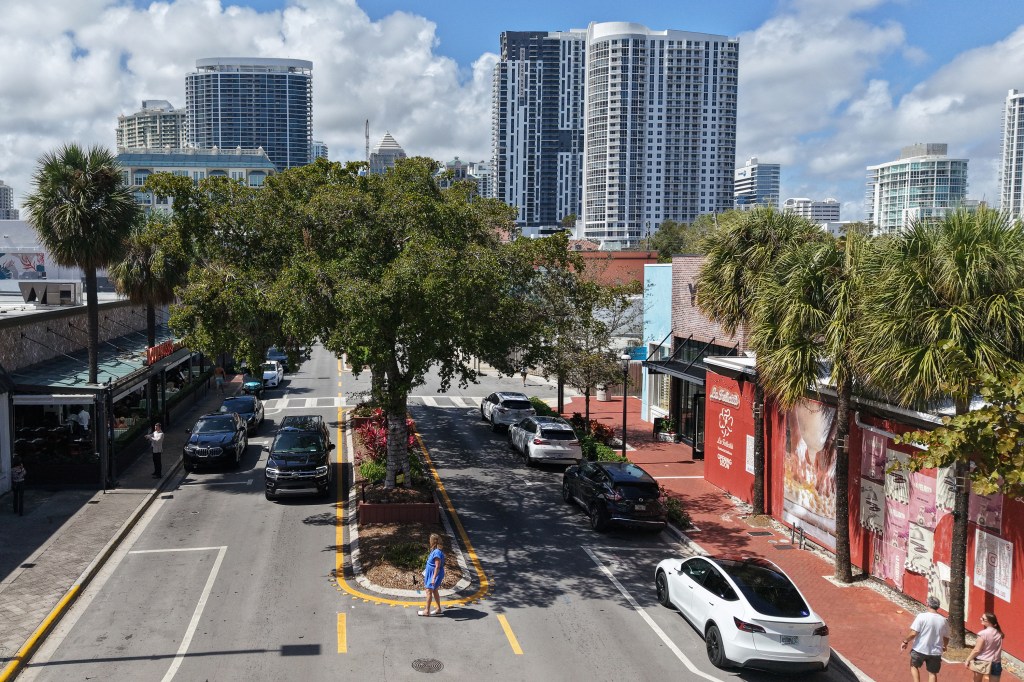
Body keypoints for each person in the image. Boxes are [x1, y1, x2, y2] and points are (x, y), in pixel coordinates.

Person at [901, 595, 950, 682]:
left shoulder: (921, 616)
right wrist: (944, 646)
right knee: (932, 673)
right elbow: (946, 637)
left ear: (927, 604)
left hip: (919, 649)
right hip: (935, 652)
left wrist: (905, 641)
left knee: (913, 666)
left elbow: (913, 633)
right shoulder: (944, 620)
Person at [965, 612, 1005, 681]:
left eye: (983, 618)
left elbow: (977, 650)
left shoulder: (983, 634)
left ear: (988, 621)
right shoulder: (999, 633)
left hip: (982, 662)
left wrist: (968, 660)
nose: (980, 619)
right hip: (996, 663)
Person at [418, 533, 445, 617]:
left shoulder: (437, 552)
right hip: (431, 574)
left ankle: (426, 611)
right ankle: (438, 609)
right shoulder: (434, 550)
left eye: (430, 540)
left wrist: (433, 578)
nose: (429, 541)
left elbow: (437, 566)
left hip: (435, 574)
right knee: (434, 590)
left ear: (433, 541)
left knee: (429, 591)